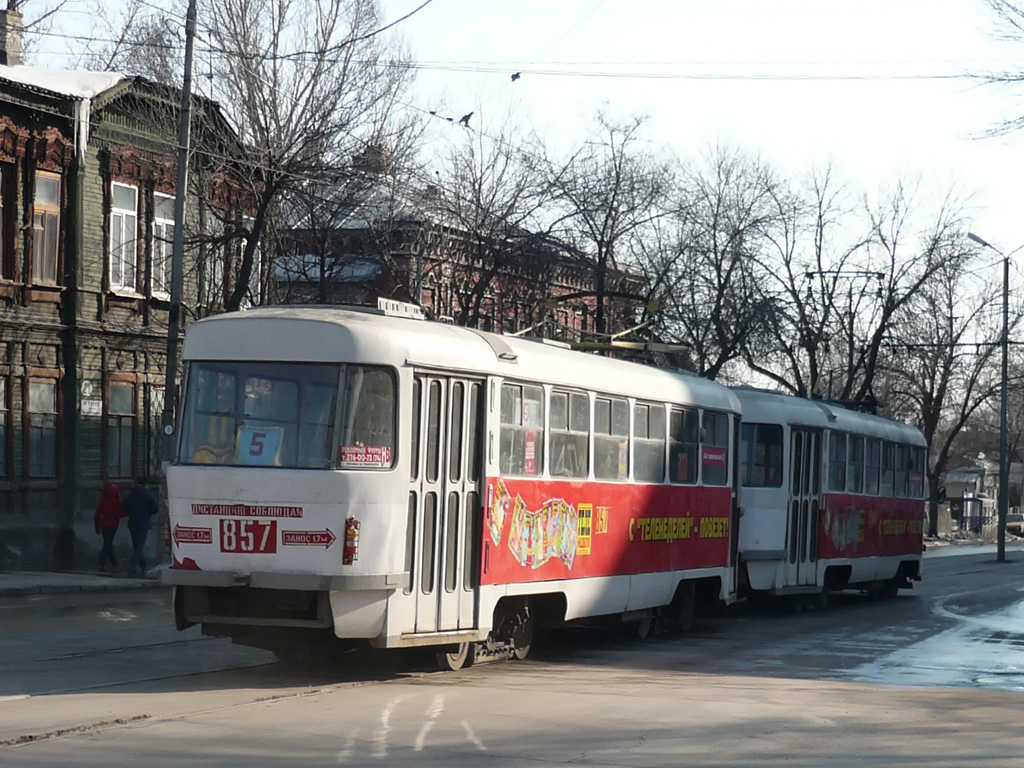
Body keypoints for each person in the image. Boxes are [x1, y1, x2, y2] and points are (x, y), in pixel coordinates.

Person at [123, 479, 160, 576]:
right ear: (145, 484)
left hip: (132, 524)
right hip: (143, 524)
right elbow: (155, 509)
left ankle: (143, 566)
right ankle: (132, 565)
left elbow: (124, 506)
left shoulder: (131, 494)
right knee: (139, 547)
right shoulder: (148, 495)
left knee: (137, 546)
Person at [94, 482, 125, 574]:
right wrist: (127, 512)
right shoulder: (116, 502)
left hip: (103, 525)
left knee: (108, 544)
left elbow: (97, 515)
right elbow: (119, 513)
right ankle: (101, 562)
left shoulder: (103, 501)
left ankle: (114, 563)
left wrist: (97, 527)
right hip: (112, 525)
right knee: (107, 544)